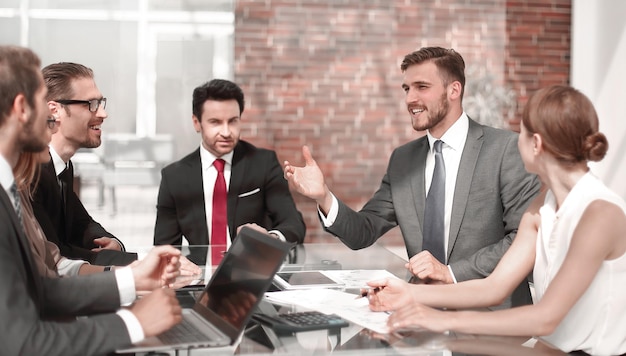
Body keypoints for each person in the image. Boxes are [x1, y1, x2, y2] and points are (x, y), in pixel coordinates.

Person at [366, 85, 626, 355]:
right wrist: (408, 294)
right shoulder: (542, 206)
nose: (515, 139)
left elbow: (546, 318)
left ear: (536, 144)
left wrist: (442, 319)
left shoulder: (600, 215)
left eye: (521, 133)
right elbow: (495, 287)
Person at [284, 47, 540, 308]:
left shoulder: (506, 149)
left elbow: (523, 238)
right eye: (407, 89)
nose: (410, 99)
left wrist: (450, 273)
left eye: (422, 87)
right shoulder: (403, 160)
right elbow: (363, 231)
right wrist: (324, 197)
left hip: (491, 319)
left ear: (454, 90)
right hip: (422, 315)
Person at [0, 45, 183, 355]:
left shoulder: (8, 190)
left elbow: (41, 288)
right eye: (39, 100)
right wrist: (134, 323)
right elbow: (21, 342)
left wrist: (132, 277)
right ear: (22, 108)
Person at [153, 79, 306, 250]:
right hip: (200, 273)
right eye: (215, 122)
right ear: (197, 123)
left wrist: (269, 238)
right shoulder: (174, 177)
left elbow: (293, 224)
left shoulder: (263, 163)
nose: (226, 132)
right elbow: (164, 248)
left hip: (253, 271)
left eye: (233, 121)